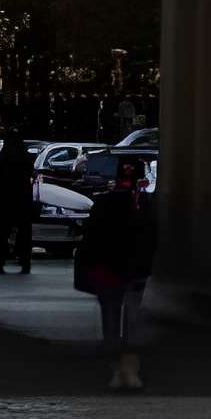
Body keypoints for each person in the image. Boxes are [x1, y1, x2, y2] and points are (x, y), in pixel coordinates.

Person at [74, 156, 157, 391]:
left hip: (108, 268)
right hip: (135, 268)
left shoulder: (105, 202)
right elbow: (153, 235)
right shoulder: (145, 205)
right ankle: (129, 367)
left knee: (110, 311)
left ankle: (115, 360)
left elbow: (92, 235)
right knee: (132, 317)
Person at [0, 129, 37, 276]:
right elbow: (30, 172)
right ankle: (24, 261)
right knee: (24, 232)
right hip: (22, 197)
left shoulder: (4, 156)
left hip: (4, 198)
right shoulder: (25, 156)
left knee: (0, 231)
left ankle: (0, 263)